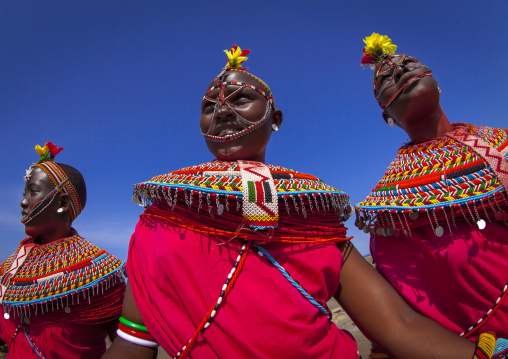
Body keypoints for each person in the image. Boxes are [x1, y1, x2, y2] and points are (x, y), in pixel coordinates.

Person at [104, 45, 485, 359]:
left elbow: (398, 325)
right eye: (209, 106)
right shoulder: (161, 217)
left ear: (276, 118)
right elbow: (132, 344)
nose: (222, 110)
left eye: (242, 99)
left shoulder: (313, 215)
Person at [356, 33, 508, 358]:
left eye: (408, 64)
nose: (397, 70)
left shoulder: (502, 142)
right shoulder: (391, 210)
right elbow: (403, 318)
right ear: (387, 116)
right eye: (384, 79)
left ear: (436, 84)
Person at [0, 142, 126, 358]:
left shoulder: (100, 273)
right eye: (25, 193)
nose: (22, 202)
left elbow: (128, 345)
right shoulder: (11, 268)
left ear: (63, 202)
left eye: (33, 192)